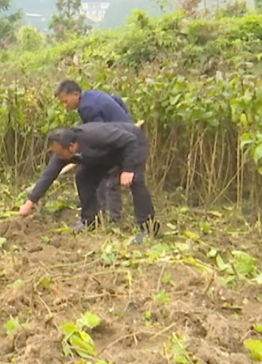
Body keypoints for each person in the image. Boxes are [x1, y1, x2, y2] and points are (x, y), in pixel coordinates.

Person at [19, 122, 159, 244]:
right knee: (83, 177)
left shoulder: (95, 136)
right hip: (105, 155)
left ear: (72, 146)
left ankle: (148, 229)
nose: (59, 157)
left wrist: (128, 169)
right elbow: (48, 175)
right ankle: (90, 221)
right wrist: (30, 203)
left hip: (131, 145)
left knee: (136, 180)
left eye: (61, 153)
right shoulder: (63, 153)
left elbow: (130, 140)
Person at [55, 80, 133, 223]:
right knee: (92, 175)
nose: (65, 106)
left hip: (119, 143)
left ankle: (111, 220)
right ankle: (101, 217)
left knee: (108, 178)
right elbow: (117, 100)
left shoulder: (87, 108)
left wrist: (88, 156)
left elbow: (100, 134)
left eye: (66, 101)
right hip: (124, 134)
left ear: (76, 94)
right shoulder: (91, 96)